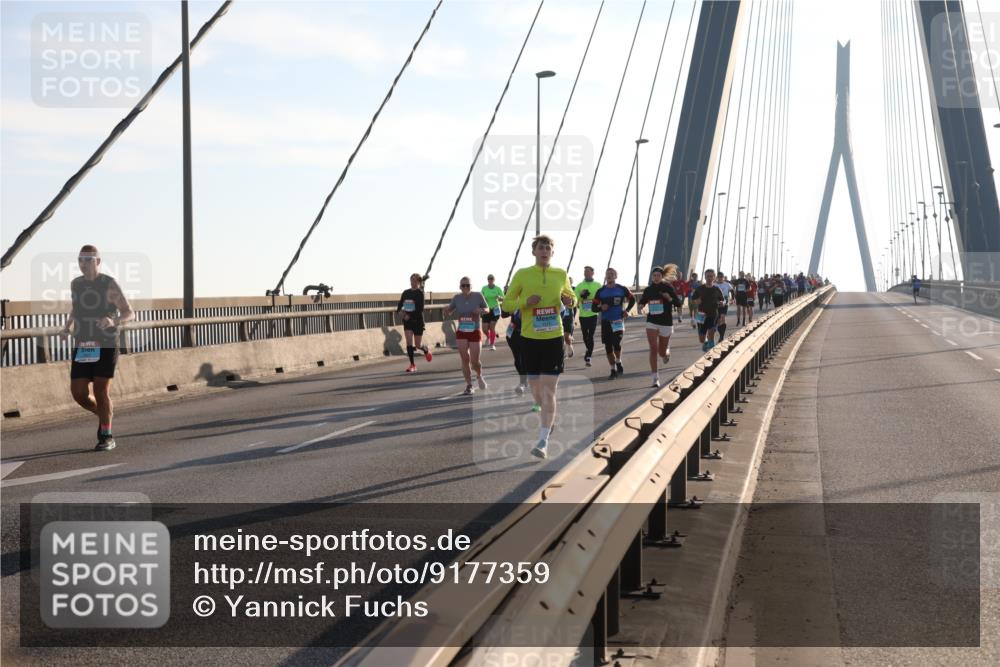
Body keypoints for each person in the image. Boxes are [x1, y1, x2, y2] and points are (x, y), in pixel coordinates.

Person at [505, 235, 576, 459]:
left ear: (552, 253)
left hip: (553, 338)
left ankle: (543, 440)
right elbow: (506, 304)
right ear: (533, 252)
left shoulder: (560, 274)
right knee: (536, 391)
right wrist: (525, 302)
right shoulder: (523, 274)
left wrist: (569, 301)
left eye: (548, 248)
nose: (544, 251)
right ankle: (548, 419)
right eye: (540, 248)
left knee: (548, 391)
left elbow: (571, 297)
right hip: (529, 338)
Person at [58, 245, 134, 451]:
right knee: (79, 393)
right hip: (83, 343)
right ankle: (103, 414)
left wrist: (113, 321)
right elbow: (76, 307)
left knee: (101, 390)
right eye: (80, 259)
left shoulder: (109, 284)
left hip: (106, 343)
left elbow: (129, 312)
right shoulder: (76, 284)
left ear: (98, 262)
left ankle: (106, 435)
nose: (84, 263)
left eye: (89, 259)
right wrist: (66, 327)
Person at [637, 264, 683, 388]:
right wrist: (640, 306)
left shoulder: (668, 287)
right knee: (653, 348)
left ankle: (666, 351)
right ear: (652, 277)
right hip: (652, 321)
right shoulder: (648, 289)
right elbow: (642, 300)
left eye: (658, 276)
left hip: (666, 322)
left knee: (661, 353)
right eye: (654, 276)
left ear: (662, 276)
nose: (656, 278)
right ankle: (655, 378)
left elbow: (678, 303)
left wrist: (669, 299)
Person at [443, 277, 489, 395]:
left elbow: (487, 309)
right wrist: (446, 310)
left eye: (468, 285)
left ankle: (479, 376)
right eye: (463, 285)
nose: (465, 288)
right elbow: (450, 310)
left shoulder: (478, 296)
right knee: (465, 359)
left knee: (475, 361)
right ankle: (469, 385)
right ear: (460, 287)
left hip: (474, 331)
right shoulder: (457, 298)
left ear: (471, 286)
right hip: (462, 331)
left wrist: (481, 311)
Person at [592, 268, 636, 380]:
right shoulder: (600, 291)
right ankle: (613, 369)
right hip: (606, 322)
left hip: (618, 321)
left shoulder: (622, 289)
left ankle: (618, 361)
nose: (610, 275)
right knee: (608, 347)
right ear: (605, 276)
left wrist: (627, 310)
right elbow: (593, 308)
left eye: (612, 274)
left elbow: (632, 299)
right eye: (608, 274)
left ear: (616, 276)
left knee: (616, 344)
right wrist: (601, 307)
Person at [396, 273, 433, 373]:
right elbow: (399, 305)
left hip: (417, 321)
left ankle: (425, 350)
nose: (413, 283)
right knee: (408, 342)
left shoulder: (420, 293)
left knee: (417, 345)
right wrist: (400, 312)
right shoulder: (406, 292)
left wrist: (410, 315)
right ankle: (412, 364)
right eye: (411, 280)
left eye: (415, 281)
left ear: (419, 282)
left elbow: (420, 309)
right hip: (407, 322)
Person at [574, 266, 602, 367]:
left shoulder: (598, 285)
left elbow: (601, 297)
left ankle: (588, 356)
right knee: (585, 336)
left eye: (588, 271)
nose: (586, 273)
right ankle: (588, 348)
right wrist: (580, 295)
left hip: (593, 314)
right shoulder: (580, 286)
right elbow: (575, 298)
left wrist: (597, 302)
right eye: (585, 271)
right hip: (583, 315)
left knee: (591, 336)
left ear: (592, 273)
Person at [692, 269, 725, 352]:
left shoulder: (717, 289)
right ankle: (706, 343)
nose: (709, 278)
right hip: (701, 315)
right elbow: (693, 300)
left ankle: (711, 351)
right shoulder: (699, 289)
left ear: (714, 277)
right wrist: (696, 301)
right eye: (708, 276)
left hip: (713, 314)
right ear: (705, 277)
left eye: (711, 276)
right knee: (701, 339)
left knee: (711, 333)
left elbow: (723, 300)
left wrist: (722, 302)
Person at [502, 307, 531, 400]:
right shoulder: (512, 298)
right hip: (513, 333)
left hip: (527, 332)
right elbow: (503, 315)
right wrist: (510, 310)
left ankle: (523, 383)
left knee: (524, 358)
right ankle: (524, 381)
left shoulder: (529, 297)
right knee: (517, 361)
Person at [480, 274, 505, 351]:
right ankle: (488, 336)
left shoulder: (497, 289)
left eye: (491, 279)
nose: (490, 280)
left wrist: (499, 297)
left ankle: (492, 344)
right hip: (486, 309)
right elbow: (480, 298)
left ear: (494, 280)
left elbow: (504, 298)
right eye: (489, 279)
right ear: (487, 280)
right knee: (484, 328)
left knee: (491, 327)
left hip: (495, 309)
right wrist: (483, 301)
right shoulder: (484, 288)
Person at [716, 272, 733, 341]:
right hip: (716, 304)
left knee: (723, 317)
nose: (720, 278)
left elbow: (732, 291)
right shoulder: (714, 285)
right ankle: (721, 334)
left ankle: (722, 336)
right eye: (719, 277)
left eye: (721, 277)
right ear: (717, 277)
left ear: (723, 277)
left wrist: (733, 299)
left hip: (725, 303)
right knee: (718, 321)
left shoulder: (727, 284)